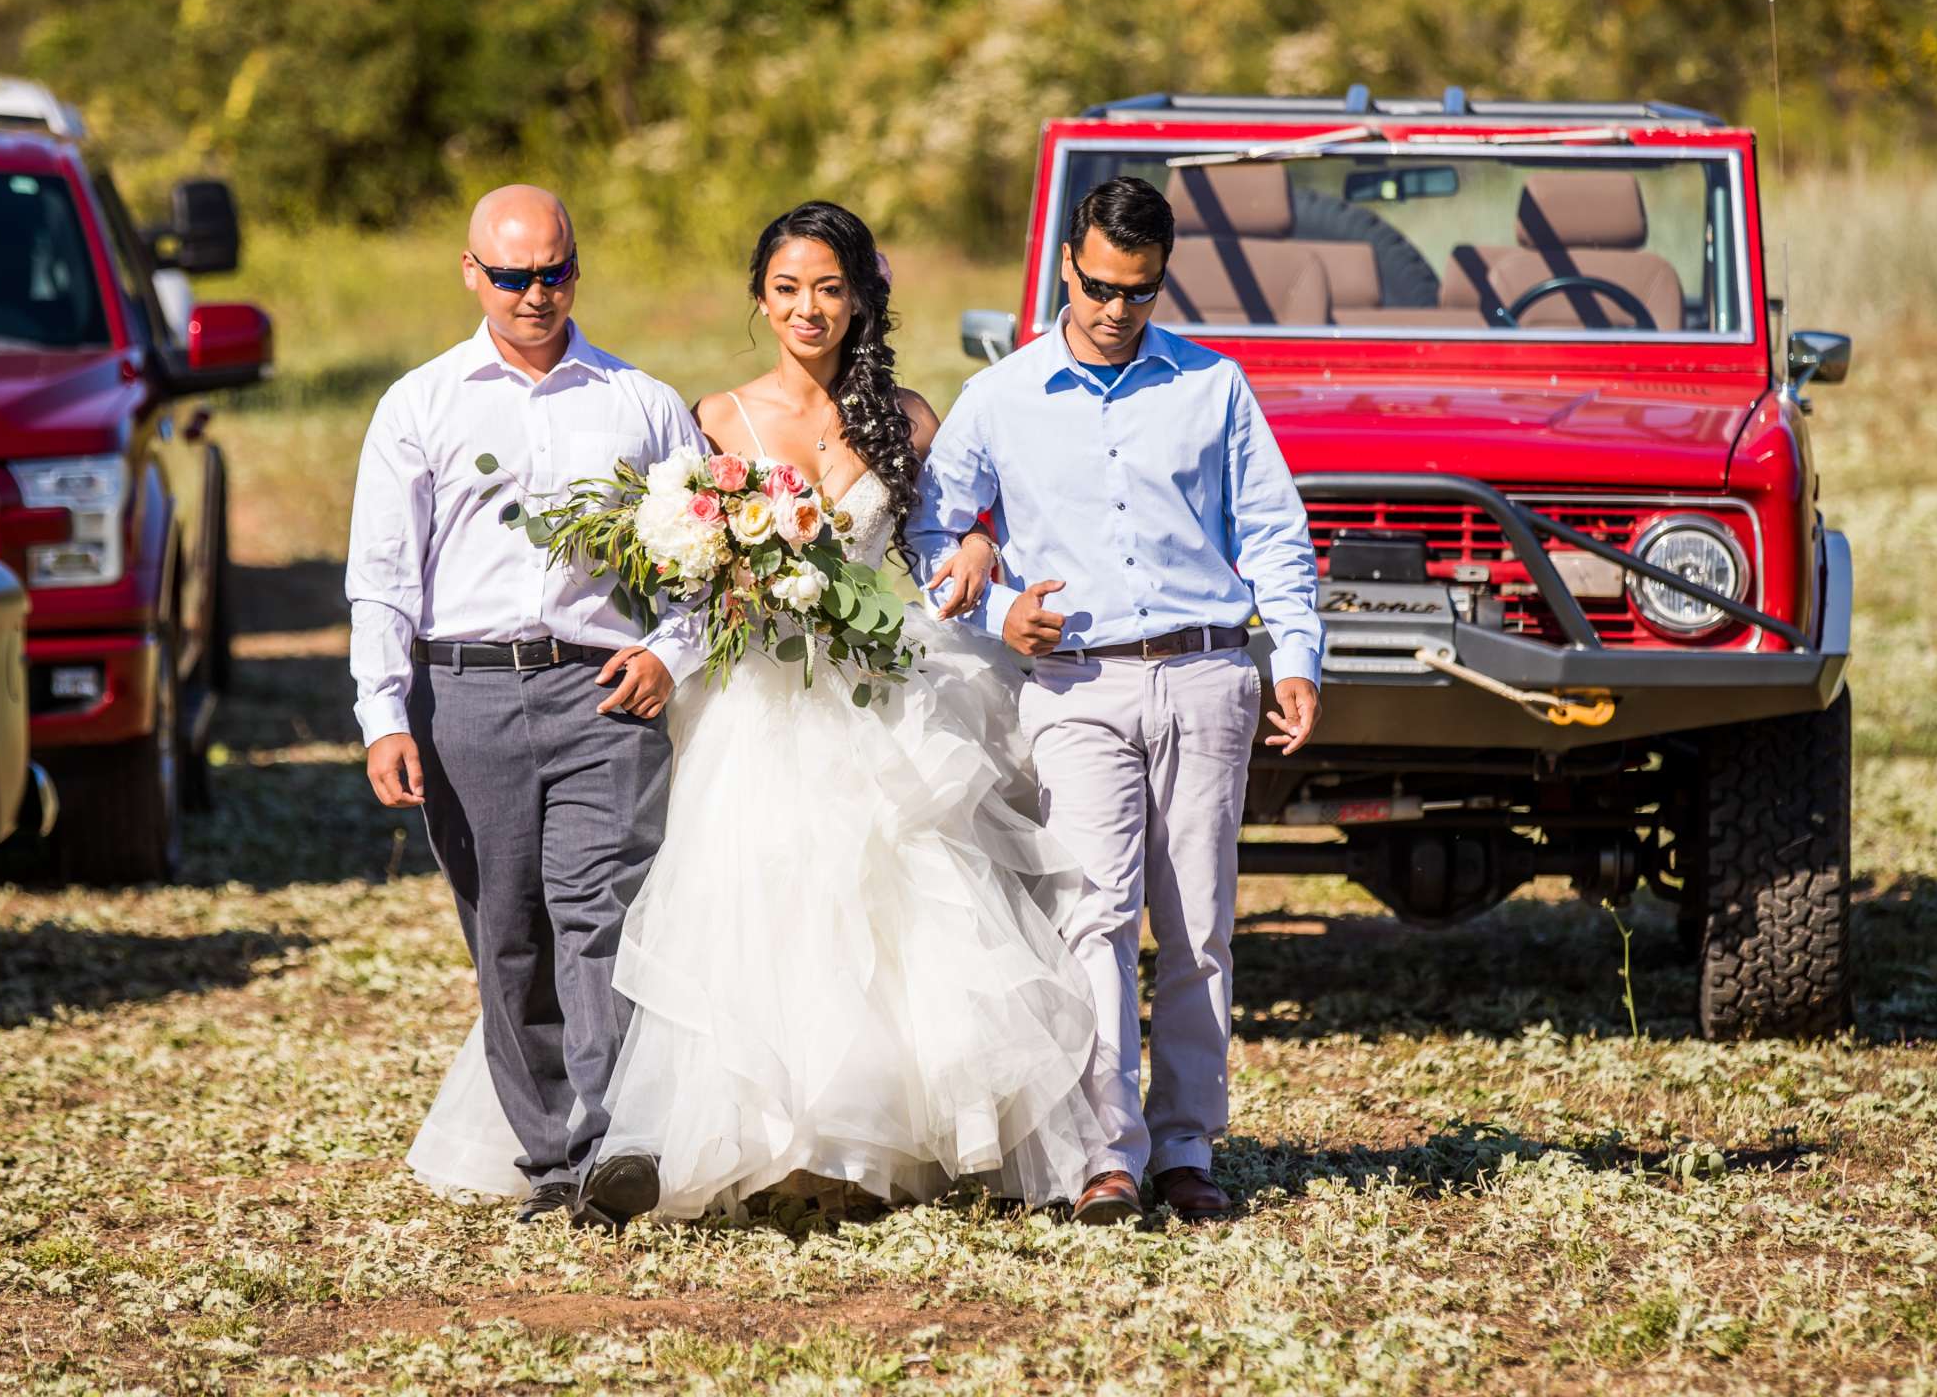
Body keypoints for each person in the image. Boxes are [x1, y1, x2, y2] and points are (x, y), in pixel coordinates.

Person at [405, 200, 1109, 1222]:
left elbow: (950, 537)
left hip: (875, 684)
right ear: (759, 299)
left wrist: (976, 552)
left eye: (829, 288)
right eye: (786, 289)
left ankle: (863, 1144)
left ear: (864, 296)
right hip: (754, 696)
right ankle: (733, 1146)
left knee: (891, 910)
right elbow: (676, 577)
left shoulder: (909, 419)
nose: (808, 309)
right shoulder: (715, 421)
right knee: (743, 909)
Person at [905, 174, 1324, 1225]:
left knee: (1199, 928)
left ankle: (1188, 1147)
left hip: (1205, 673)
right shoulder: (1001, 395)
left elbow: (1273, 530)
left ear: (1160, 281)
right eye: (1097, 285)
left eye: (1136, 291)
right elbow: (928, 535)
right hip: (1074, 682)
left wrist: (1300, 657)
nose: (1113, 309)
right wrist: (997, 609)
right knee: (1091, 918)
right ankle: (1106, 1152)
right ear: (1066, 267)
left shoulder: (1215, 387)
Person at [347, 185, 705, 1228]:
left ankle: (613, 1143)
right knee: (506, 928)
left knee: (604, 914)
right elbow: (382, 578)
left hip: (601, 689)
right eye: (511, 276)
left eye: (551, 272)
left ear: (577, 271)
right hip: (463, 692)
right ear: (472, 274)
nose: (533, 293)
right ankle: (549, 1154)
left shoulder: (642, 402)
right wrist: (384, 714)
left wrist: (669, 654)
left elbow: (703, 564)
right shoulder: (419, 404)